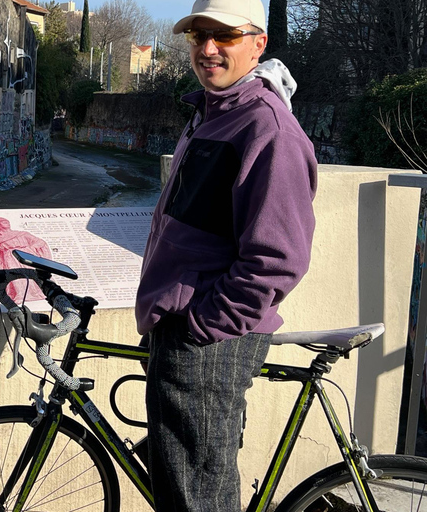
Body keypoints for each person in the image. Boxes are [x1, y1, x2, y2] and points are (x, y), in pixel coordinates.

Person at [134, 0, 318, 510]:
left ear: (258, 44)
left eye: (224, 36)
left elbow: (278, 259)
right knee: (183, 481)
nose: (207, 48)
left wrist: (199, 326)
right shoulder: (213, 113)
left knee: (200, 497)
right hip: (187, 330)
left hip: (208, 339)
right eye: (197, 36)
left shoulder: (267, 130)